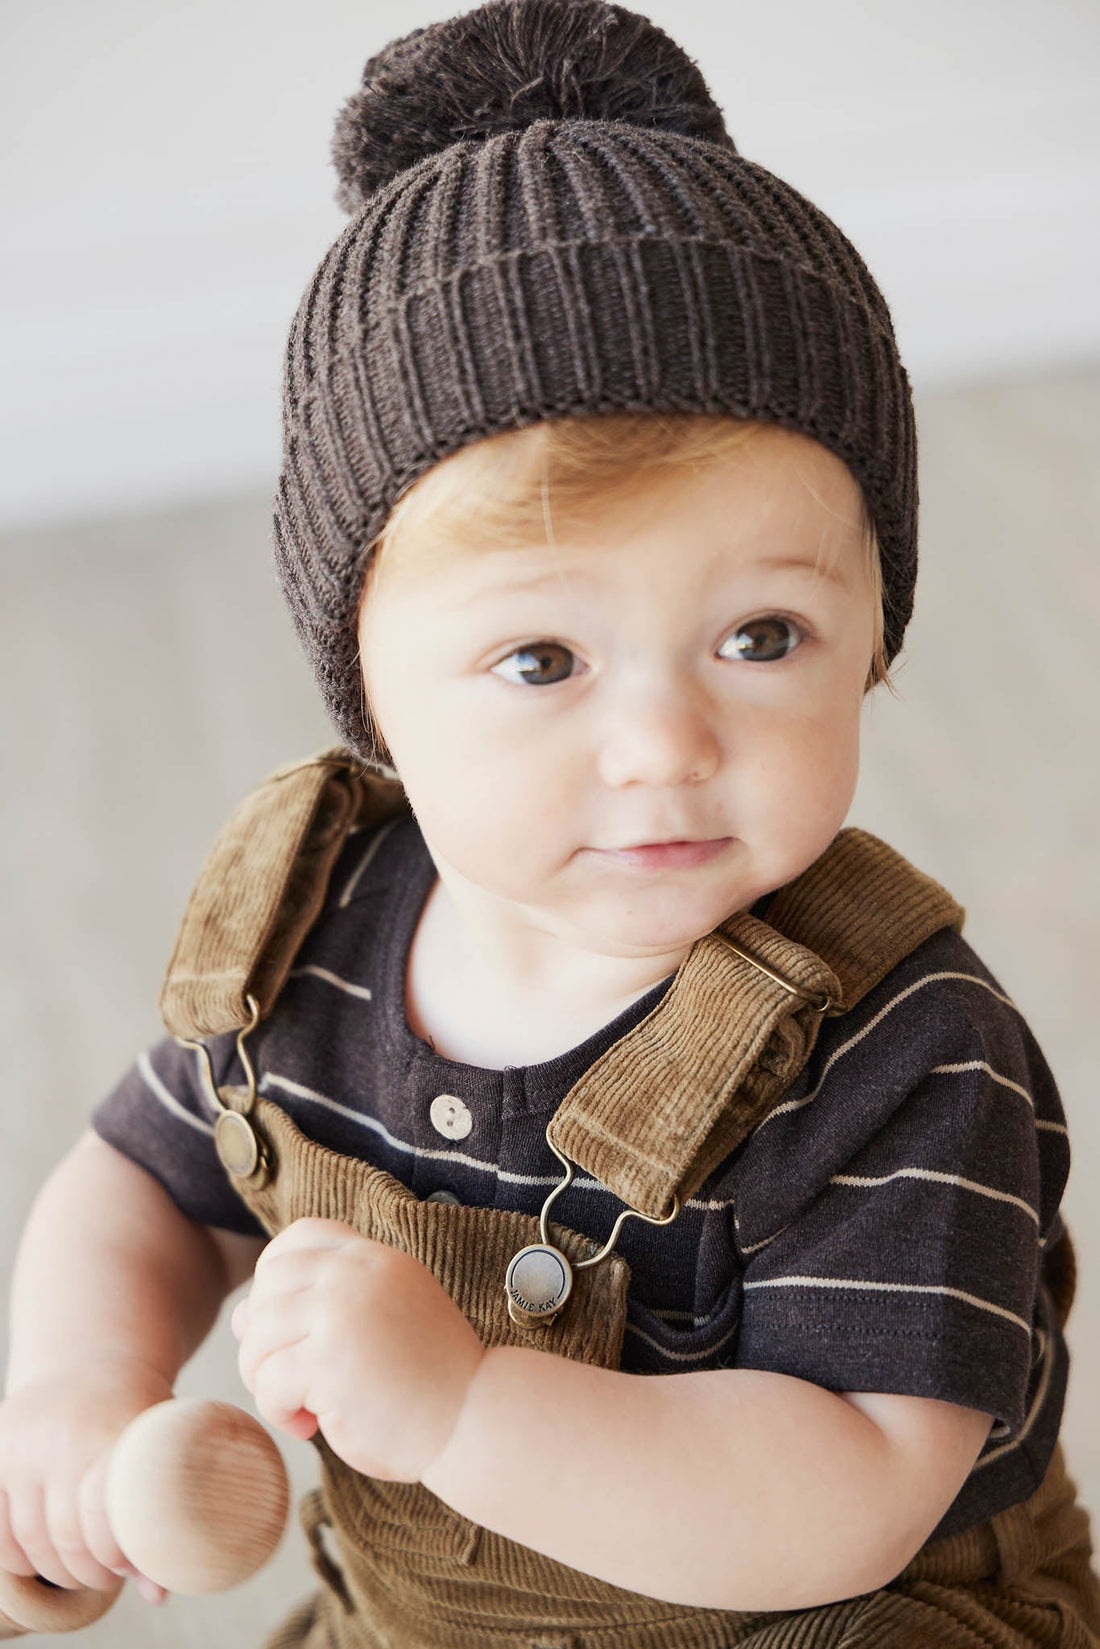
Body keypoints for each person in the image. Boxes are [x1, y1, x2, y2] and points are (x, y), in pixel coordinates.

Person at [2, 1, 1098, 1644]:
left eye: (762, 636)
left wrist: (459, 1409)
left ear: (877, 630)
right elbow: (145, 1182)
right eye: (540, 659)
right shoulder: (313, 932)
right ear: (369, 691)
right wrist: (79, 1405)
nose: (663, 744)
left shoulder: (902, 1053)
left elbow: (852, 1484)